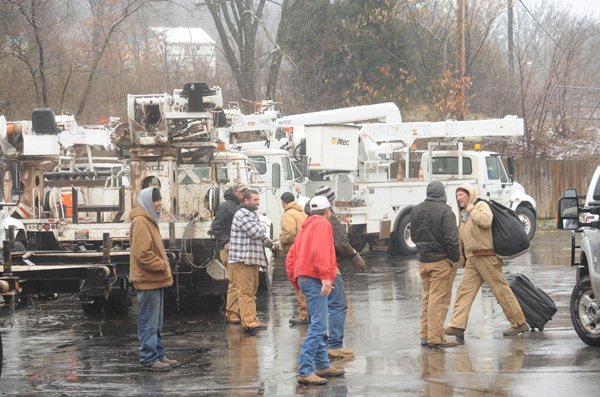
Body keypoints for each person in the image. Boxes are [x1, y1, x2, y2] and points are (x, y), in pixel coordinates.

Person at [445, 184, 529, 342]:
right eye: (457, 196)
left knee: (500, 290)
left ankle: (519, 323)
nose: (458, 198)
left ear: (470, 195)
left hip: (486, 257)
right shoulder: (463, 213)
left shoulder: (480, 205)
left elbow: (485, 221)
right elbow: (462, 235)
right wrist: (463, 256)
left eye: (461, 195)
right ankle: (457, 325)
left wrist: (471, 209)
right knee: (464, 291)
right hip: (472, 259)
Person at [286, 195, 345, 385]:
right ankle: (305, 370)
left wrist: (297, 281)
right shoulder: (322, 225)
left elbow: (291, 257)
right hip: (315, 279)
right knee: (318, 326)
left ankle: (322, 364)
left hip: (306, 279)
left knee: (317, 324)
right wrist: (326, 278)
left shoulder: (306, 227)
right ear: (328, 211)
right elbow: (320, 253)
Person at [314, 185, 367, 359]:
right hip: (328, 267)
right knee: (337, 305)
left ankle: (322, 344)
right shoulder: (329, 219)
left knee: (321, 307)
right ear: (329, 202)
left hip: (311, 269)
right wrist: (354, 255)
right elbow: (341, 243)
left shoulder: (309, 219)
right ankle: (335, 345)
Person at [130, 187, 178, 372]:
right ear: (148, 202)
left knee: (156, 322)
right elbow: (142, 254)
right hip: (148, 279)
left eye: (160, 200)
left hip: (155, 279)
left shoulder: (149, 219)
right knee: (149, 322)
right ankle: (149, 358)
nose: (160, 203)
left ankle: (158, 354)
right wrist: (162, 265)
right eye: (156, 200)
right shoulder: (141, 221)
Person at [410, 181, 461, 349]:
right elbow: (452, 239)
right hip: (441, 262)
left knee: (427, 299)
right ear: (442, 194)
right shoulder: (446, 212)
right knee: (438, 301)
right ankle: (436, 337)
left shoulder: (416, 210)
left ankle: (425, 336)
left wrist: (422, 249)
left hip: (424, 261)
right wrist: (455, 259)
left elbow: (414, 235)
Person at [228, 189, 274, 332]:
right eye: (255, 200)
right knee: (245, 292)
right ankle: (248, 322)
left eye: (258, 200)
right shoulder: (243, 214)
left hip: (251, 260)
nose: (258, 203)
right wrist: (263, 229)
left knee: (251, 291)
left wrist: (270, 243)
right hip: (242, 260)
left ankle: (252, 318)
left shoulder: (252, 214)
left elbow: (261, 236)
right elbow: (256, 233)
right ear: (246, 201)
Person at [210, 182, 248, 324]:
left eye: (245, 191)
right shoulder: (226, 207)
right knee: (235, 282)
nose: (244, 193)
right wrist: (225, 241)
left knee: (239, 282)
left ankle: (238, 312)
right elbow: (216, 226)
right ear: (234, 192)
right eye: (241, 191)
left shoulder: (239, 206)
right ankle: (232, 313)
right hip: (230, 251)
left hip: (239, 250)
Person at [278, 191, 309, 326]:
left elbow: (289, 233)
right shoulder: (302, 213)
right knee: (306, 282)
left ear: (283, 202)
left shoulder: (288, 214)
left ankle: (304, 315)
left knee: (298, 283)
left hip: (294, 251)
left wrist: (280, 241)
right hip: (304, 251)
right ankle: (309, 312)